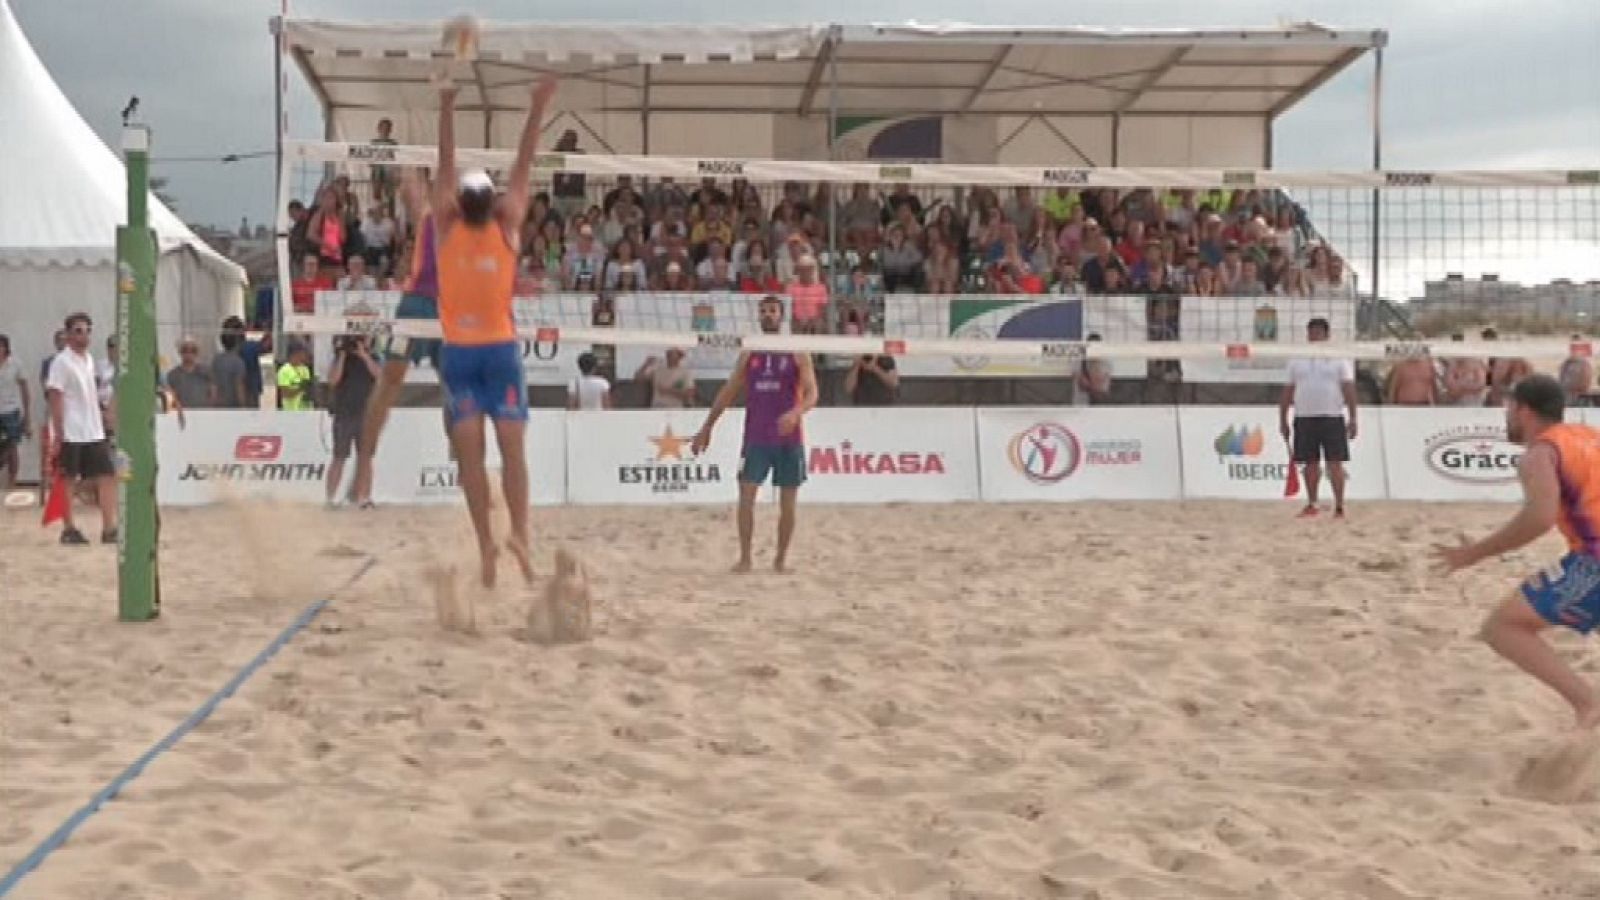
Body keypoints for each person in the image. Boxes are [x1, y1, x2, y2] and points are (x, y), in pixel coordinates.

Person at [431, 69, 557, 587]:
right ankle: (488, 545)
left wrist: (536, 108)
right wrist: (446, 107)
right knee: (474, 457)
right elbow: (449, 165)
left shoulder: (503, 225)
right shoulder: (450, 224)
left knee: (507, 451)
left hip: (492, 351)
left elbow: (524, 165)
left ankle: (519, 536)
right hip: (466, 355)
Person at [1434, 375, 1600, 732]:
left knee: (1503, 628)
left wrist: (1474, 553)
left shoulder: (1540, 454)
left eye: (1509, 407)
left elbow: (1539, 518)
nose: (1505, 415)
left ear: (1524, 410)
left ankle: (1588, 706)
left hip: (1594, 560)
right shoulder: (1588, 436)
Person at [690, 294, 818, 573]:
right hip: (756, 437)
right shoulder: (750, 352)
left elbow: (812, 393)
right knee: (746, 497)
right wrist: (707, 426)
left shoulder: (797, 350)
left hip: (789, 439)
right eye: (764, 310)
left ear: (781, 315)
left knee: (788, 503)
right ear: (759, 316)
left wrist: (796, 413)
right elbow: (729, 391)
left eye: (773, 310)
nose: (768, 314)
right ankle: (745, 558)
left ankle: (780, 559)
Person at [355, 166, 444, 507]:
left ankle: (468, 473)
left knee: (456, 386)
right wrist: (409, 162)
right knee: (390, 381)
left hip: (449, 309)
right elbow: (412, 190)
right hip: (417, 305)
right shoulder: (428, 217)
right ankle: (364, 469)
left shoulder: (471, 225)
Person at [46, 313, 118, 545]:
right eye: (78, 331)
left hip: (93, 428)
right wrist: (58, 433)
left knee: (107, 475)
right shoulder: (61, 362)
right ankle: (69, 528)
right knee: (68, 478)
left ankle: (109, 528)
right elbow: (55, 397)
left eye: (87, 331)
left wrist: (104, 415)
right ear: (67, 335)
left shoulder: (88, 360)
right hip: (71, 428)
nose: (83, 336)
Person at [1279, 317, 1358, 519]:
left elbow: (1348, 389)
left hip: (1332, 416)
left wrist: (1353, 417)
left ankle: (1339, 505)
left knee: (1335, 463)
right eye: (1312, 332)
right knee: (1310, 463)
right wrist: (1283, 419)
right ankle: (1312, 503)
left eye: (1319, 333)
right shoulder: (1297, 359)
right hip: (1304, 417)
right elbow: (1288, 391)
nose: (1315, 336)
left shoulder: (1339, 358)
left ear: (1327, 335)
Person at [326, 334, 380, 507]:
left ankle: (364, 497)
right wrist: (342, 355)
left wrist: (364, 355)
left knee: (365, 458)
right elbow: (333, 380)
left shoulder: (374, 358)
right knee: (339, 456)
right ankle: (331, 497)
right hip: (344, 413)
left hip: (367, 414)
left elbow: (380, 376)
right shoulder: (341, 359)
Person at [0, 334, 31, 489]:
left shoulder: (15, 364)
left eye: (1, 346)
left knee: (12, 446)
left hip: (11, 410)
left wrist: (27, 416)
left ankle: (12, 482)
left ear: (6, 348)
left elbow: (24, 389)